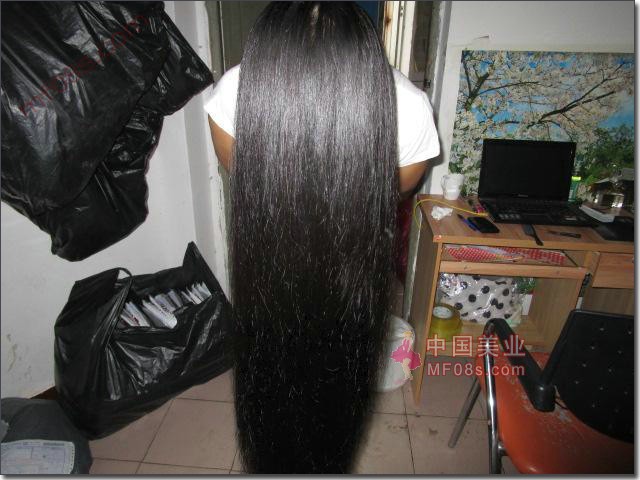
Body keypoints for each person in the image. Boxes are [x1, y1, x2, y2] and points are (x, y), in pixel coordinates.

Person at [204, 2, 439, 473]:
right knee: (335, 391)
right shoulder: (409, 107)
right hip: (345, 273)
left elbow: (244, 173)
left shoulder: (234, 89)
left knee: (273, 386)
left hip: (273, 266)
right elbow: (394, 189)